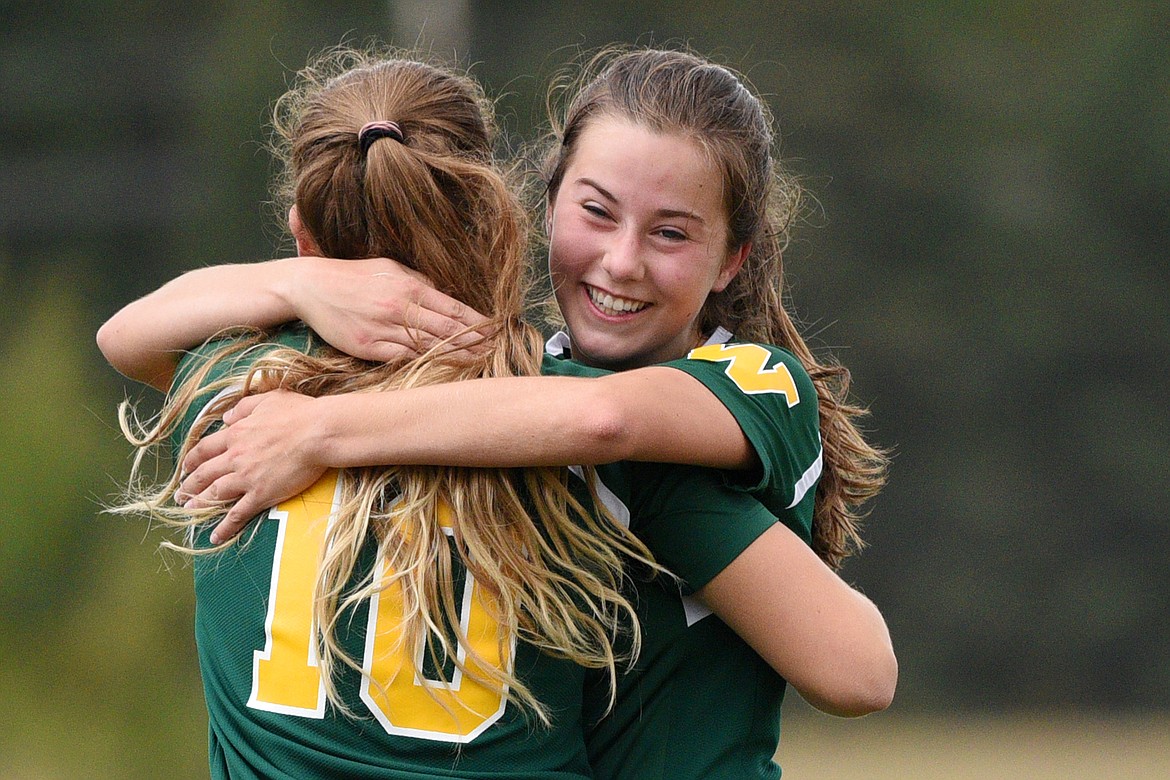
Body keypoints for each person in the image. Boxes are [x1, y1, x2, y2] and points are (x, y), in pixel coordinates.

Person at [101, 47, 896, 779]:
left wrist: (317, 421)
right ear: (521, 212)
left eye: (670, 233)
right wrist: (297, 287)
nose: (622, 259)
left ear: (735, 257)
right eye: (598, 211)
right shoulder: (545, 426)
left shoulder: (236, 395)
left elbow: (127, 338)